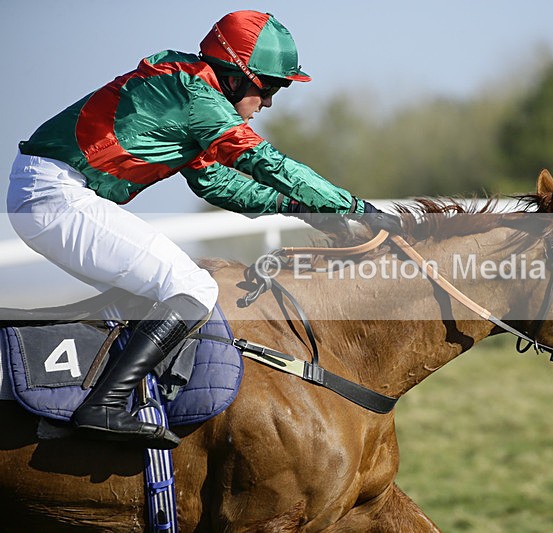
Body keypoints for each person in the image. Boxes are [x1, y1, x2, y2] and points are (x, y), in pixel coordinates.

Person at [6, 10, 402, 449]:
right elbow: (264, 161)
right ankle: (104, 405)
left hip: (55, 192)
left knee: (160, 292)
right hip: (55, 195)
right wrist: (354, 206)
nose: (269, 102)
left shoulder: (193, 92)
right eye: (268, 87)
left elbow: (216, 183)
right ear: (235, 76)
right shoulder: (196, 96)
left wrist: (296, 206)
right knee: (192, 287)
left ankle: (122, 399)